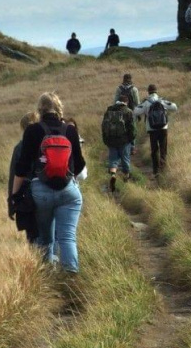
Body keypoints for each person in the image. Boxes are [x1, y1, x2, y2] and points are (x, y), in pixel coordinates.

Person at [11, 92, 86, 273]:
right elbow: (80, 164)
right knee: (68, 238)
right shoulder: (70, 130)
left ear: (40, 109)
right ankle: (71, 277)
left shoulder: (32, 131)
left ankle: (46, 280)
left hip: (41, 193)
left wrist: (14, 196)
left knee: (45, 239)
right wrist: (67, 177)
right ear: (59, 108)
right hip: (69, 192)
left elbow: (21, 169)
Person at [7, 110, 40, 244]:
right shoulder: (46, 141)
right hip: (48, 192)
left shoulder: (19, 148)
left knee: (32, 237)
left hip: (27, 198)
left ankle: (39, 263)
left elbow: (13, 177)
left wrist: (11, 204)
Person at [134, 84, 178, 177]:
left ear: (148, 92)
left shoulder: (146, 102)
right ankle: (163, 168)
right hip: (163, 128)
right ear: (156, 91)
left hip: (152, 129)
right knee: (163, 149)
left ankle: (156, 171)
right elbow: (174, 107)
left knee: (154, 150)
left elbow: (136, 111)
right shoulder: (161, 101)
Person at [102, 96, 136, 192]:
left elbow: (103, 126)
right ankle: (126, 180)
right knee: (125, 159)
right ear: (126, 102)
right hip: (124, 141)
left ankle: (113, 175)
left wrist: (105, 139)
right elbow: (133, 129)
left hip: (111, 140)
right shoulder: (128, 111)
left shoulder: (109, 110)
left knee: (113, 160)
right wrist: (131, 140)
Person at [115, 73, 141, 153]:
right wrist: (138, 114)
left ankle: (123, 146)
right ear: (131, 79)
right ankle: (132, 147)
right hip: (131, 112)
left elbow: (115, 101)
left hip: (120, 112)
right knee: (132, 129)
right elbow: (137, 102)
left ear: (123, 79)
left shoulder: (119, 89)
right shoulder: (134, 89)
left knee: (122, 128)